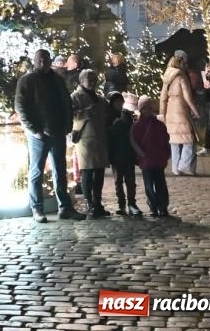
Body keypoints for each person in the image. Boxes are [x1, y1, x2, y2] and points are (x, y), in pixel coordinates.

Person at [14, 48, 84, 223]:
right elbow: (21, 106)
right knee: (37, 171)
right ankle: (37, 208)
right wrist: (34, 129)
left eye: (46, 59)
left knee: (60, 171)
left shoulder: (57, 80)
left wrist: (67, 125)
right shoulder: (27, 81)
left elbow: (66, 102)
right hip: (39, 134)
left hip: (58, 131)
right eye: (40, 60)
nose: (43, 63)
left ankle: (65, 207)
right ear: (35, 61)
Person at [70, 69, 111, 218]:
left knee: (99, 172)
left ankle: (97, 202)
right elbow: (71, 115)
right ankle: (89, 203)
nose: (93, 82)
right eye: (89, 80)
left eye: (94, 79)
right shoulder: (75, 97)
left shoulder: (100, 99)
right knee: (87, 171)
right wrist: (86, 112)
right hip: (85, 139)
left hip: (99, 138)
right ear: (82, 81)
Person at [130, 95, 172, 217]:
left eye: (149, 107)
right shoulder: (137, 126)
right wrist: (140, 155)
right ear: (141, 109)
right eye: (145, 107)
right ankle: (153, 206)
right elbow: (134, 142)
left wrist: (166, 155)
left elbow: (165, 140)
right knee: (149, 186)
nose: (148, 110)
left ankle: (162, 206)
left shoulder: (159, 125)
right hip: (146, 160)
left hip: (158, 160)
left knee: (161, 185)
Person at [159, 55, 199, 176]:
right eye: (184, 64)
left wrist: (162, 114)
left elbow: (163, 98)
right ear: (180, 64)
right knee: (189, 139)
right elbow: (187, 97)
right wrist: (195, 111)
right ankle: (185, 166)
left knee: (174, 142)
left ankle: (175, 168)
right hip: (181, 110)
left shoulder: (167, 77)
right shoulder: (181, 76)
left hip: (170, 111)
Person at [107, 92, 142, 216]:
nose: (118, 104)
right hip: (115, 153)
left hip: (128, 152)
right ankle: (121, 204)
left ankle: (132, 203)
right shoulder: (108, 116)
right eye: (115, 101)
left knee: (130, 180)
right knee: (118, 181)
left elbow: (133, 132)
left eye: (120, 101)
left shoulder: (127, 115)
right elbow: (107, 134)